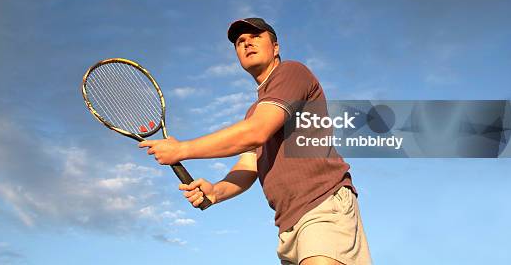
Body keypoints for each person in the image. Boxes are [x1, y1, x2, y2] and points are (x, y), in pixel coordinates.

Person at [139, 18, 372, 265]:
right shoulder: (255, 112)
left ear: (276, 47)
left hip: (323, 204)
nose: (247, 43)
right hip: (288, 225)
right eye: (240, 42)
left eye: (255, 36)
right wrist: (216, 192)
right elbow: (250, 165)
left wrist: (181, 150)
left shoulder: (291, 72)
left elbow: (256, 132)